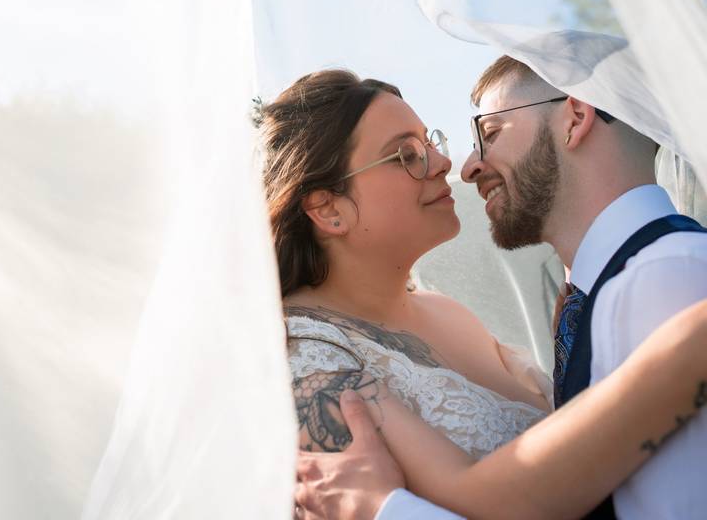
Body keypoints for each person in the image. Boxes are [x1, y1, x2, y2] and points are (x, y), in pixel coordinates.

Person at [291, 58, 707, 519]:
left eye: (432, 143)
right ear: (329, 210)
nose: (450, 164)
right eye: (406, 154)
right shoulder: (306, 356)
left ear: (577, 117)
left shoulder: (453, 314)